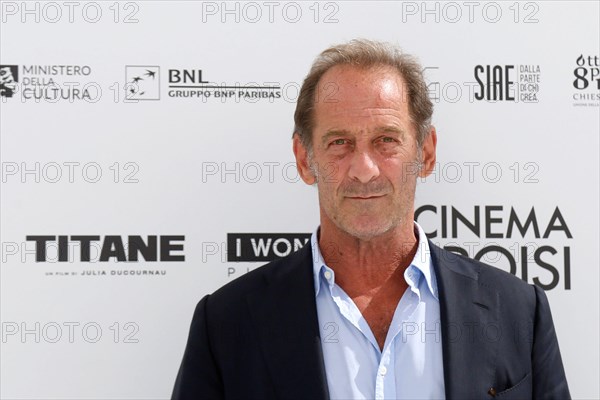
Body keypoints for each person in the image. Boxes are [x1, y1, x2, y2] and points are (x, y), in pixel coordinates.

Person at [172, 39, 570, 400]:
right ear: (304, 158)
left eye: (386, 140)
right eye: (339, 142)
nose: (364, 169)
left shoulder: (518, 312)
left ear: (426, 153)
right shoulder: (227, 324)